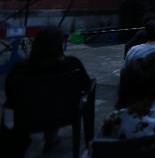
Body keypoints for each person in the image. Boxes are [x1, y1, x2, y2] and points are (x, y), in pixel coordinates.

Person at [5, 26, 92, 155]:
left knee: (43, 100)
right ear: (60, 46)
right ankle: (51, 136)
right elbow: (87, 86)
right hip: (64, 115)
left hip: (28, 118)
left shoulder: (20, 69)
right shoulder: (73, 64)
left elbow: (10, 94)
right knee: (52, 100)